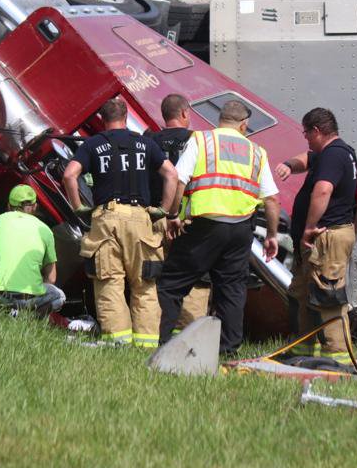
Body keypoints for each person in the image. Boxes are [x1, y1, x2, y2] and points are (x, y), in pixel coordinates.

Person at [158, 99, 280, 355]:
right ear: (244, 125)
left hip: (205, 225)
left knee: (172, 283)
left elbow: (180, 180)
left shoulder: (202, 141)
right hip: (240, 230)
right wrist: (271, 236)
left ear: (220, 120)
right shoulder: (257, 151)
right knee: (232, 290)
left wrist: (173, 215)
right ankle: (228, 350)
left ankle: (161, 343)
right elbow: (271, 199)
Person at [62, 96, 177, 348]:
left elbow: (70, 174)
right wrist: (164, 210)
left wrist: (78, 206)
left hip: (105, 219)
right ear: (125, 118)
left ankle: (117, 343)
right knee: (144, 283)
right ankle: (147, 344)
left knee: (109, 282)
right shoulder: (145, 144)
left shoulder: (93, 145)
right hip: (140, 217)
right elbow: (171, 174)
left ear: (103, 120)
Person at [274, 107, 357, 362]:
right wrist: (290, 164)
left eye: (307, 134)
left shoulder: (334, 155)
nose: (306, 139)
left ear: (317, 131)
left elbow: (322, 191)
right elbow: (308, 158)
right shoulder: (332, 153)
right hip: (319, 240)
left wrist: (310, 227)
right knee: (301, 294)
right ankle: (302, 351)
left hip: (326, 236)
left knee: (327, 297)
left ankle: (337, 358)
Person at [145, 93, 210, 331]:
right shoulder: (199, 141)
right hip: (186, 220)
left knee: (151, 276)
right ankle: (187, 330)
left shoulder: (148, 140)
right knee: (191, 276)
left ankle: (153, 328)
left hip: (152, 217)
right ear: (184, 113)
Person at [0, 184, 66, 317]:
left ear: (9, 206)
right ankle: (27, 317)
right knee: (59, 297)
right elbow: (51, 278)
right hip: (29, 300)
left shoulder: (1, 220)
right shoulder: (45, 230)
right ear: (35, 206)